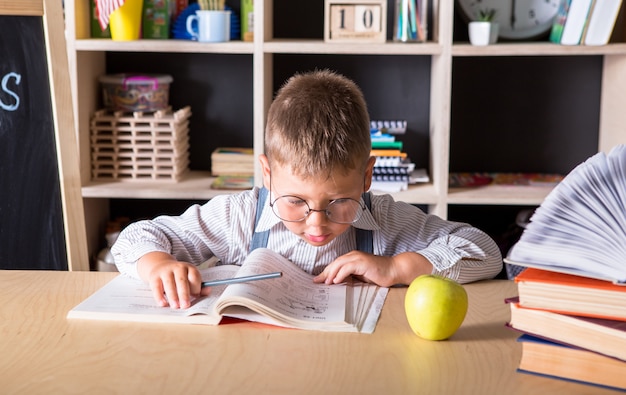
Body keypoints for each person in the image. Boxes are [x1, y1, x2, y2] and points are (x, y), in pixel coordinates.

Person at [112, 69, 503, 309]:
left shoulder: (383, 220)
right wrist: (158, 266)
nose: (316, 225)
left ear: (366, 177)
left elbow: (485, 252)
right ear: (267, 174)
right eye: (296, 202)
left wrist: (397, 267)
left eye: (338, 203)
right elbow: (134, 239)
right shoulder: (242, 216)